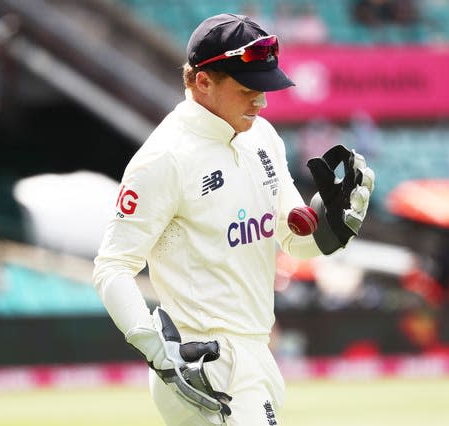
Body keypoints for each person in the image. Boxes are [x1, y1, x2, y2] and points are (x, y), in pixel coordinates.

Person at [92, 13, 374, 426]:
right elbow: (112, 266)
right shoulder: (164, 158)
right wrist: (159, 353)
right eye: (248, 90)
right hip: (203, 361)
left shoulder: (262, 136)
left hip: (256, 351)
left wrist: (329, 228)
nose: (261, 101)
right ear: (203, 82)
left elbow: (293, 237)